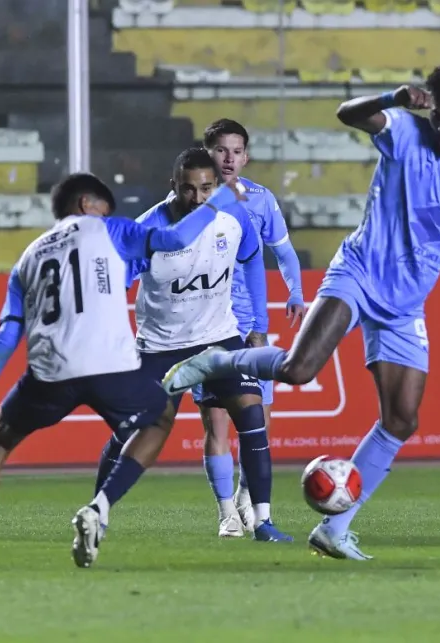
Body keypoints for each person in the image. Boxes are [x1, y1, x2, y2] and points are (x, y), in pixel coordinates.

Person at [163, 65, 440, 560]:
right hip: (360, 272)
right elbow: (347, 113)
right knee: (298, 369)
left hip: (406, 301)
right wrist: (393, 96)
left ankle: (334, 528)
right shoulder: (404, 130)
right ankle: (218, 362)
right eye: (439, 117)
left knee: (402, 420)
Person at [0, 172, 247, 571]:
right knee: (160, 418)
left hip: (48, 374)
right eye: (104, 208)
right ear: (86, 205)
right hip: (109, 367)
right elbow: (176, 239)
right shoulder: (109, 229)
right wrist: (221, 200)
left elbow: (6, 337)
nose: (107, 214)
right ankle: (101, 505)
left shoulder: (28, 258)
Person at [93, 147, 292, 542]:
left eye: (206, 189)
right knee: (130, 428)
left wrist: (258, 327)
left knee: (252, 417)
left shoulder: (234, 217)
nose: (198, 198)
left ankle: (263, 521)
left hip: (219, 338)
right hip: (160, 347)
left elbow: (253, 259)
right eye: (188, 190)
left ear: (216, 186)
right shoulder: (148, 228)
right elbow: (116, 283)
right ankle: (96, 510)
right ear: (174, 186)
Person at [199, 118, 305, 535]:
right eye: (221, 150)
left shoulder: (260, 200)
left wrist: (295, 290)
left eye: (236, 150)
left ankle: (247, 498)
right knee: (216, 423)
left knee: (258, 422)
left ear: (246, 156)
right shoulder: (190, 201)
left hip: (250, 326)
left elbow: (284, 251)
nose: (229, 158)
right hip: (206, 324)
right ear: (208, 153)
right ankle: (226, 513)